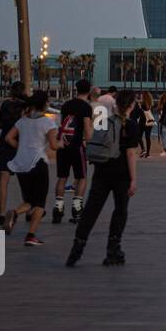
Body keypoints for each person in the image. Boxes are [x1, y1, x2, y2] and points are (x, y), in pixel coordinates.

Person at [67, 89, 141, 267]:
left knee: (92, 210)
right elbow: (131, 154)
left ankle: (77, 247)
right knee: (120, 210)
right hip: (121, 174)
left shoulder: (104, 122)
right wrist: (133, 179)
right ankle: (113, 249)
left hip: (101, 171)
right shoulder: (132, 126)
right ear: (132, 105)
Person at [3, 90, 61, 246]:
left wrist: (21, 147)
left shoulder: (22, 121)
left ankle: (15, 213)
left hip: (21, 164)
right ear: (44, 104)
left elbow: (8, 138)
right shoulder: (48, 122)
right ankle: (31, 235)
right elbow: (54, 146)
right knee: (40, 203)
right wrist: (65, 143)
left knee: (29, 200)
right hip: (38, 163)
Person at [52, 79, 94, 224]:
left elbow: (63, 124)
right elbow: (88, 131)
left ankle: (58, 208)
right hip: (77, 147)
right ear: (89, 91)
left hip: (63, 146)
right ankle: (77, 208)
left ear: (76, 89)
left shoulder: (66, 105)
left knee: (62, 177)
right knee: (81, 177)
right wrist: (90, 146)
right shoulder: (86, 107)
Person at [0, 81, 28, 227]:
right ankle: (28, 210)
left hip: (5, 144)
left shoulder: (3, 104)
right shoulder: (26, 106)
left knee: (3, 181)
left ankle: (1, 213)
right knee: (26, 180)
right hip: (21, 143)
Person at [139, 91, 156, 158]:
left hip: (143, 122)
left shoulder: (143, 104)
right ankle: (147, 153)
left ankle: (143, 149)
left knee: (138, 136)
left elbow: (141, 112)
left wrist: (139, 107)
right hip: (149, 121)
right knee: (148, 137)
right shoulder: (150, 103)